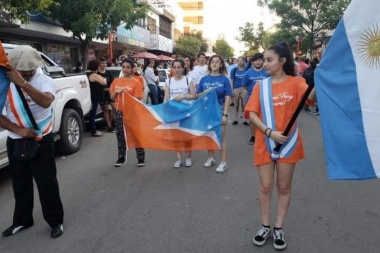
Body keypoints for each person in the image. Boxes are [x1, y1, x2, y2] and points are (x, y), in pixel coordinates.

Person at [245, 42, 308, 250]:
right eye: (264, 59)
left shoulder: (297, 83)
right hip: (265, 140)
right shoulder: (260, 86)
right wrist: (269, 131)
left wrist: (320, 79)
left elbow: (311, 100)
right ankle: (265, 225)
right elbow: (252, 113)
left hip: (288, 143)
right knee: (265, 186)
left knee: (283, 187)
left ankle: (278, 228)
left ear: (282, 61)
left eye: (269, 59)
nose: (265, 63)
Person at [0, 45, 64, 238]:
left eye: (31, 68)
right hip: (15, 140)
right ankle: (22, 220)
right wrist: (18, 130)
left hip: (41, 138)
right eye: (23, 69)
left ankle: (55, 221)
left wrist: (23, 84)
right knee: (20, 184)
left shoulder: (44, 80)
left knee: (46, 183)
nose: (28, 71)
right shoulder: (4, 83)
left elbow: (46, 101)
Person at [196, 55, 233, 173]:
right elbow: (198, 96)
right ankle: (211, 158)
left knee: (221, 136)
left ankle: (224, 162)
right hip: (206, 110)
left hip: (220, 109)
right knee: (209, 135)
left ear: (221, 64)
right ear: (209, 64)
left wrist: (225, 114)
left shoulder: (224, 79)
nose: (215, 64)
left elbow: (228, 98)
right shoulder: (203, 79)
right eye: (212, 62)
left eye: (217, 62)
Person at [110, 58, 144, 167]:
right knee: (120, 134)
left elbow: (138, 99)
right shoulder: (116, 81)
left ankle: (140, 157)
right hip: (119, 111)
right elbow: (111, 97)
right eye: (124, 67)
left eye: (128, 67)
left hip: (132, 112)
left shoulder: (136, 82)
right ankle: (121, 157)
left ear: (132, 69)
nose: (125, 69)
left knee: (135, 134)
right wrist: (116, 91)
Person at [164, 58, 197, 168]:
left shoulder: (188, 80)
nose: (177, 70)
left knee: (187, 135)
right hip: (174, 113)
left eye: (179, 67)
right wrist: (165, 110)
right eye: (175, 67)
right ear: (172, 68)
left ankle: (188, 158)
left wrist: (183, 96)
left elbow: (194, 96)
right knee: (175, 136)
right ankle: (178, 159)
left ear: (183, 68)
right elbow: (166, 98)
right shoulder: (168, 81)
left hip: (186, 113)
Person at [242, 53, 270, 144]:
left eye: (260, 60)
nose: (258, 62)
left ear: (263, 61)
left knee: (265, 117)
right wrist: (253, 92)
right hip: (251, 98)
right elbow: (245, 85)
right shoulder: (248, 73)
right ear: (252, 62)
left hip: (266, 98)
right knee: (252, 119)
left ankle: (266, 135)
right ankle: (253, 136)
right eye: (256, 60)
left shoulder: (268, 72)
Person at [87, 59, 107, 137]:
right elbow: (104, 82)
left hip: (95, 97)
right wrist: (103, 79)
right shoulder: (94, 75)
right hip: (94, 97)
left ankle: (94, 129)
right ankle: (93, 130)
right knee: (93, 114)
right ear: (97, 66)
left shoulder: (91, 74)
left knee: (93, 113)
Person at [97, 57, 115, 133]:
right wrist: (104, 89)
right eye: (102, 63)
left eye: (105, 63)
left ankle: (109, 124)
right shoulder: (97, 73)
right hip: (102, 94)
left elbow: (112, 82)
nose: (104, 64)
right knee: (106, 109)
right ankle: (109, 126)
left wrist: (111, 88)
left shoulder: (108, 72)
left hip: (110, 93)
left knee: (114, 107)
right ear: (99, 64)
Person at [230, 56, 248, 125]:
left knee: (244, 105)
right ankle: (236, 119)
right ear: (237, 62)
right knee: (236, 105)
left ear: (244, 62)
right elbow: (232, 80)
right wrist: (232, 90)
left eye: (241, 60)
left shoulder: (246, 70)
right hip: (236, 88)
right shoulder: (234, 70)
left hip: (244, 88)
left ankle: (245, 120)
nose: (240, 62)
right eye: (239, 60)